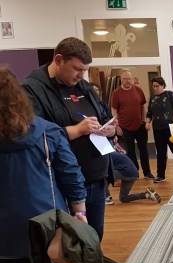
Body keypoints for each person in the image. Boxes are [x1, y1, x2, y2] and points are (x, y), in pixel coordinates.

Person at [0, 67, 87, 263]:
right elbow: (71, 174)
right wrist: (80, 213)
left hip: (5, 231)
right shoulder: (47, 131)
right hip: (49, 223)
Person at [23, 37, 116, 242]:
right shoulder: (32, 89)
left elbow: (102, 115)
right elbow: (34, 137)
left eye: (84, 70)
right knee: (68, 245)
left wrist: (109, 130)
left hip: (96, 178)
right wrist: (76, 130)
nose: (81, 75)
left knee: (93, 239)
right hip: (62, 184)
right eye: (77, 69)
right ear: (59, 60)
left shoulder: (83, 86)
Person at [111, 70, 154, 179]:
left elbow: (143, 106)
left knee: (144, 150)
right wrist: (117, 126)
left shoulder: (138, 90)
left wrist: (144, 121)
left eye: (129, 78)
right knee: (130, 151)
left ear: (132, 79)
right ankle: (135, 173)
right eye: (125, 79)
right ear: (121, 80)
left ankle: (147, 173)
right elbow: (114, 110)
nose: (128, 81)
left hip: (140, 125)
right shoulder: (116, 92)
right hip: (124, 127)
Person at [145, 76, 173, 183]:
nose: (155, 88)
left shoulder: (170, 95)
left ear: (162, 85)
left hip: (170, 129)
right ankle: (160, 175)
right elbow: (149, 112)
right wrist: (147, 122)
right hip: (158, 129)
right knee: (160, 153)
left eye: (157, 86)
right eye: (153, 86)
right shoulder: (153, 97)